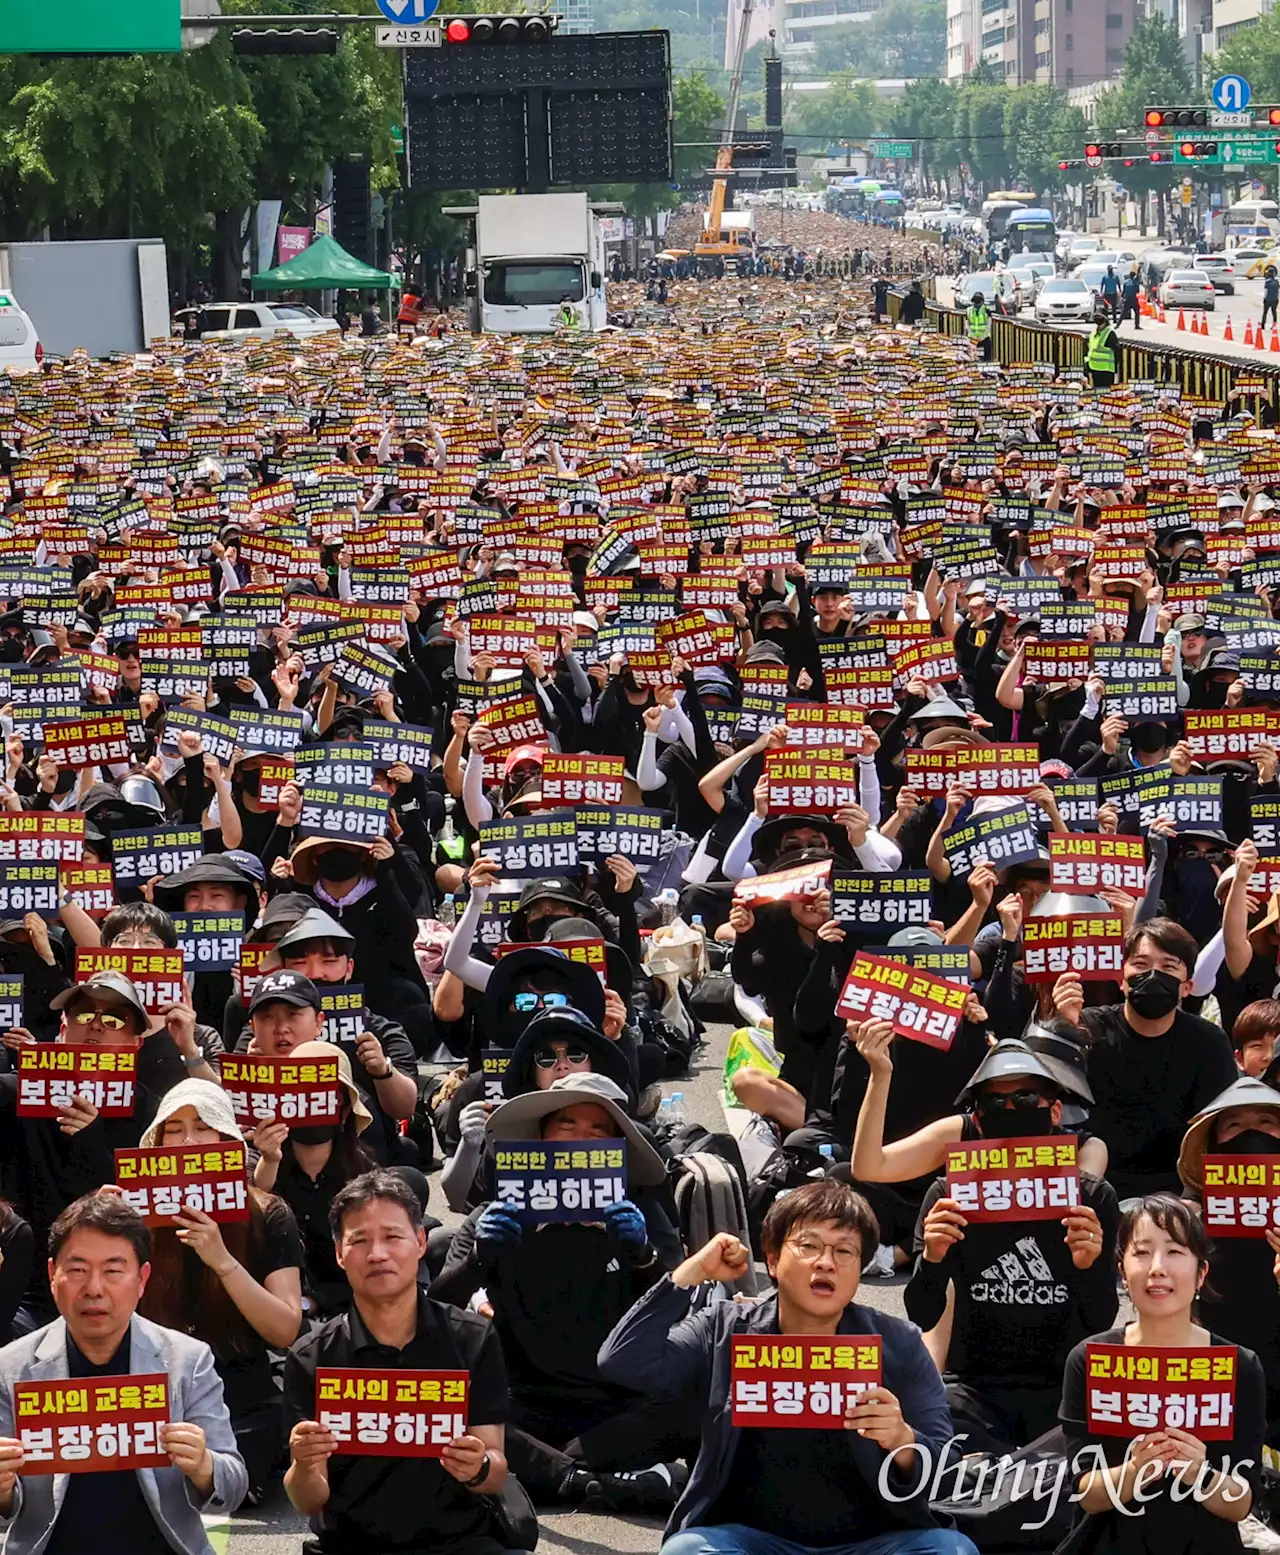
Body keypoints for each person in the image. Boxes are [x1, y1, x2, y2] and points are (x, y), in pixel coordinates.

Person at [599, 1179, 977, 1555]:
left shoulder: (898, 1343)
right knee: (687, 1550)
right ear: (775, 1259)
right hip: (748, 1540)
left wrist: (903, 1439)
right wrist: (693, 1270)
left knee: (951, 1549)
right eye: (809, 1246)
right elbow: (622, 1360)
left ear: (860, 1269)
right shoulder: (726, 1329)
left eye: (845, 1251)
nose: (826, 1262)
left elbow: (946, 1471)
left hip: (873, 1542)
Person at [433, 1073, 690, 1511]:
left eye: (597, 1132)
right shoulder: (491, 1215)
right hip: (520, 1400)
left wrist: (645, 1258)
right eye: (566, 1126)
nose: (579, 1141)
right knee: (449, 1418)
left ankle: (552, 1474)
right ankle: (593, 1482)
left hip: (616, 1401)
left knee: (694, 1397)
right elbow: (436, 1313)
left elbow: (682, 1315)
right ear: (540, 1138)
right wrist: (479, 1256)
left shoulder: (638, 1213)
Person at [0, 1192, 247, 1555]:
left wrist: (204, 1465)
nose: (94, 1288)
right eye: (78, 1270)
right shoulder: (10, 1366)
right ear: (53, 1275)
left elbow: (234, 1485)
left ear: (142, 1278)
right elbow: (8, 1513)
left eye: (113, 1270)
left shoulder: (187, 1360)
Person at [284, 1171, 511, 1555]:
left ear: (421, 1241)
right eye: (359, 1240)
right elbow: (308, 1501)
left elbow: (495, 1469)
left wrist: (478, 1467)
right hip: (351, 1545)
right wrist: (304, 1464)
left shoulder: (472, 1338)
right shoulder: (311, 1357)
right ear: (339, 1253)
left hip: (458, 1543)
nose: (377, 1254)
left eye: (392, 1236)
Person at [1058, 1195, 1265, 1553]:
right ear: (1122, 1271)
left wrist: (1199, 1473)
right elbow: (1085, 1493)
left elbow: (1241, 1502)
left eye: (1174, 1251)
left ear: (1201, 1273)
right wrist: (1137, 1468)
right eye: (1141, 1252)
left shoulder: (1240, 1366)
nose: (1157, 1267)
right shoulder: (1089, 1359)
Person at [134, 1079, 303, 1498]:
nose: (189, 1140)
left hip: (239, 1386)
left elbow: (285, 1330)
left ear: (227, 1137)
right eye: (174, 1129)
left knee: (264, 1438)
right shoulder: (131, 1214)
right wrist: (103, 1233)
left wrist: (223, 1261)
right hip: (151, 1387)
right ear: (156, 1143)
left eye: (203, 1125)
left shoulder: (268, 1213)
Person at [1055, 920, 1238, 1201]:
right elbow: (1049, 1106)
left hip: (1179, 1193)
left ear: (1187, 987)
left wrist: (1194, 1201)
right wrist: (1062, 1029)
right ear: (1121, 978)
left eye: (1168, 967)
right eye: (1141, 964)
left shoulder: (1209, 1042)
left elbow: (1216, 1129)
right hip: (1095, 1185)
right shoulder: (1086, 1028)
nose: (1153, 975)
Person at [1085, 309, 1117, 388]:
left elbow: (1117, 351)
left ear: (1105, 319)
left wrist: (1116, 366)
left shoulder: (1110, 333)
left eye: (1099, 317)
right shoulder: (1094, 333)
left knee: (1105, 394)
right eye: (1096, 317)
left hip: (1106, 370)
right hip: (1094, 368)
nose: (1097, 319)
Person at [965, 292, 991, 362]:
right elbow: (967, 325)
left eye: (977, 302)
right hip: (972, 340)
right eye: (975, 302)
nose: (976, 304)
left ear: (982, 302)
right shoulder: (968, 310)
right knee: (972, 359)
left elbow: (988, 325)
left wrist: (982, 337)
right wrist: (974, 336)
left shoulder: (986, 310)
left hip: (984, 340)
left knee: (985, 360)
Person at [1263, 266, 1278, 334]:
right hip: (1275, 299)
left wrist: (1264, 298)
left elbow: (1266, 291)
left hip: (1268, 299)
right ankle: (1274, 324)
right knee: (1274, 312)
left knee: (1265, 312)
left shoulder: (1267, 282)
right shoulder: (1276, 282)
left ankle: (1263, 325)